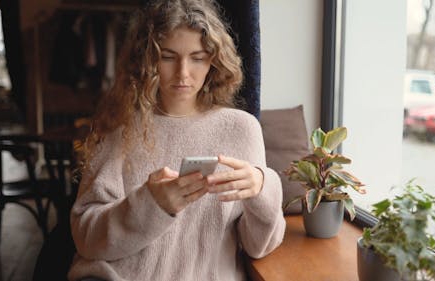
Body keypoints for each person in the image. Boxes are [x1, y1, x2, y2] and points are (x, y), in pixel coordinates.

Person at [67, 0, 286, 280]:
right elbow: (86, 237)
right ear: (147, 59)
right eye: (168, 57)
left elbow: (259, 247)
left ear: (214, 60)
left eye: (197, 58)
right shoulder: (118, 126)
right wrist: (150, 205)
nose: (183, 73)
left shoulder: (241, 129)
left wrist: (262, 188)